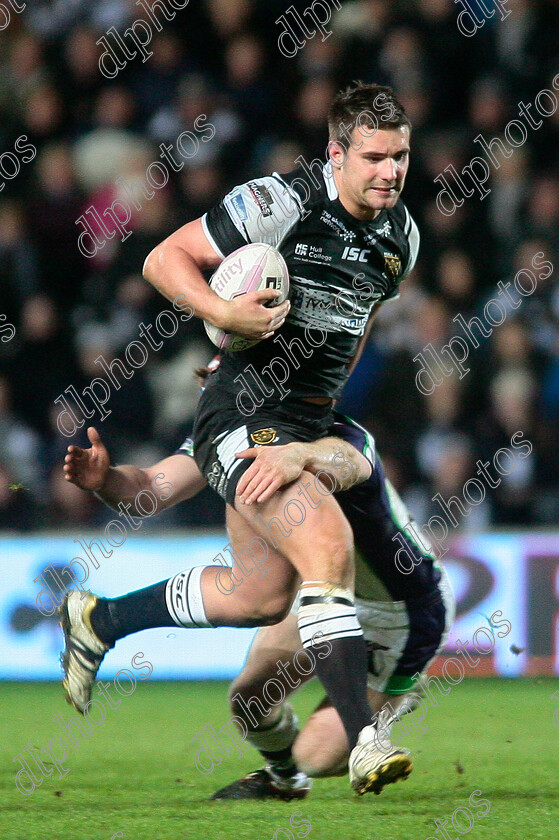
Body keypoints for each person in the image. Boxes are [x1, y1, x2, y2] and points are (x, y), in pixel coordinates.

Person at [60, 82, 421, 795]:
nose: (390, 171)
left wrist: (313, 402)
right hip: (242, 411)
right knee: (327, 545)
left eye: (400, 156)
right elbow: (164, 258)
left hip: (304, 419)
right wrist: (224, 311)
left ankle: (98, 617)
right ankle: (364, 741)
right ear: (336, 154)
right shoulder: (278, 202)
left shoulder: (399, 237)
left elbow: (356, 324)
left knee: (259, 597)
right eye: (374, 157)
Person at [63, 417, 453, 800]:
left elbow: (350, 462)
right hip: (320, 594)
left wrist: (299, 455)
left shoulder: (340, 435)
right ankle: (284, 779)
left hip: (401, 614)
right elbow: (148, 488)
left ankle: (397, 696)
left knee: (316, 755)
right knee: (250, 701)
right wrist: (106, 481)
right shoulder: (231, 435)